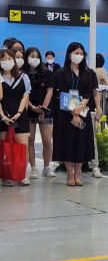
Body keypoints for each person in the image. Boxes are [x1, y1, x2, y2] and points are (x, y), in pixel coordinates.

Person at [52, 43, 96, 187]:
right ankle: (70, 175)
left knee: (81, 144)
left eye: (81, 53)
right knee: (68, 144)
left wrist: (80, 106)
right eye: (76, 52)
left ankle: (78, 174)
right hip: (66, 114)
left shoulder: (88, 72)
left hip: (83, 111)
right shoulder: (61, 72)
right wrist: (74, 113)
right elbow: (62, 93)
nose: (79, 55)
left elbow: (89, 92)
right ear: (69, 54)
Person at [23, 47, 56, 180]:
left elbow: (50, 92)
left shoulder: (46, 73)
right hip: (29, 110)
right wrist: (32, 108)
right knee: (30, 141)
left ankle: (47, 167)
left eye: (37, 56)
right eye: (32, 56)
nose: (34, 59)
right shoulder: (23, 74)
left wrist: (43, 109)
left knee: (47, 141)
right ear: (27, 58)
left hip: (46, 109)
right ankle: (33, 168)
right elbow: (24, 94)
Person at [0, 49, 31, 186]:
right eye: (3, 59)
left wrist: (18, 114)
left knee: (22, 147)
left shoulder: (24, 77)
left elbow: (25, 96)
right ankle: (6, 175)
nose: (7, 62)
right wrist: (3, 117)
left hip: (20, 117)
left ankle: (21, 175)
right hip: (3, 118)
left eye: (9, 59)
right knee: (5, 148)